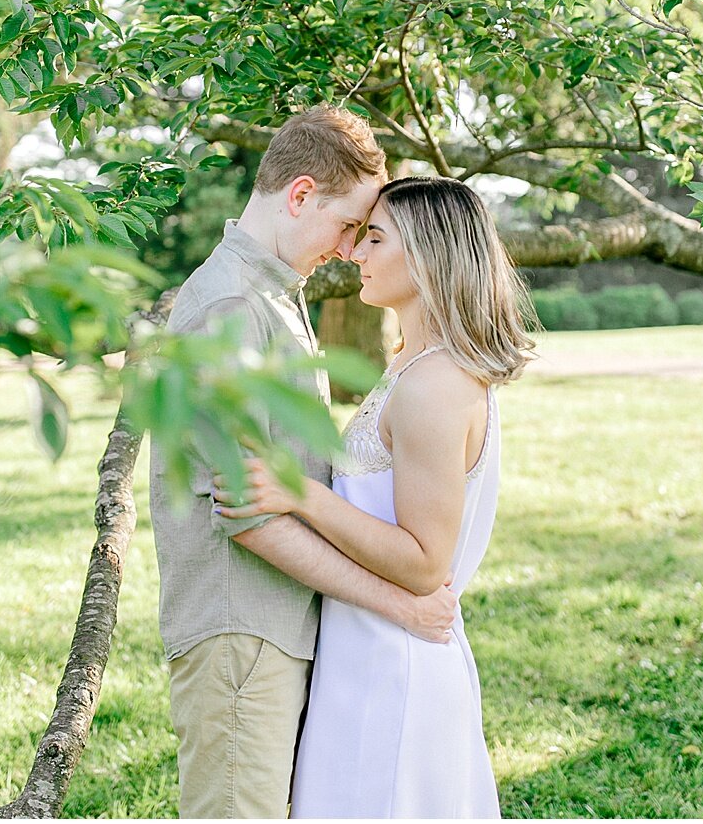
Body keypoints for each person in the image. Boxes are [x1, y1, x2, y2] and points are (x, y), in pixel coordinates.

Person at [150, 107, 461, 819]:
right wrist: (400, 603)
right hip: (241, 636)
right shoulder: (230, 308)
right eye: (349, 224)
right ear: (299, 196)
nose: (351, 247)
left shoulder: (272, 298)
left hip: (277, 629)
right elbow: (249, 514)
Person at [216, 176, 535, 817]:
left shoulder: (435, 384)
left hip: (397, 668)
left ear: (425, 256)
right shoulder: (412, 366)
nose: (356, 252)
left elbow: (425, 564)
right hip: (366, 648)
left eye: (375, 237)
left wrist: (301, 494)